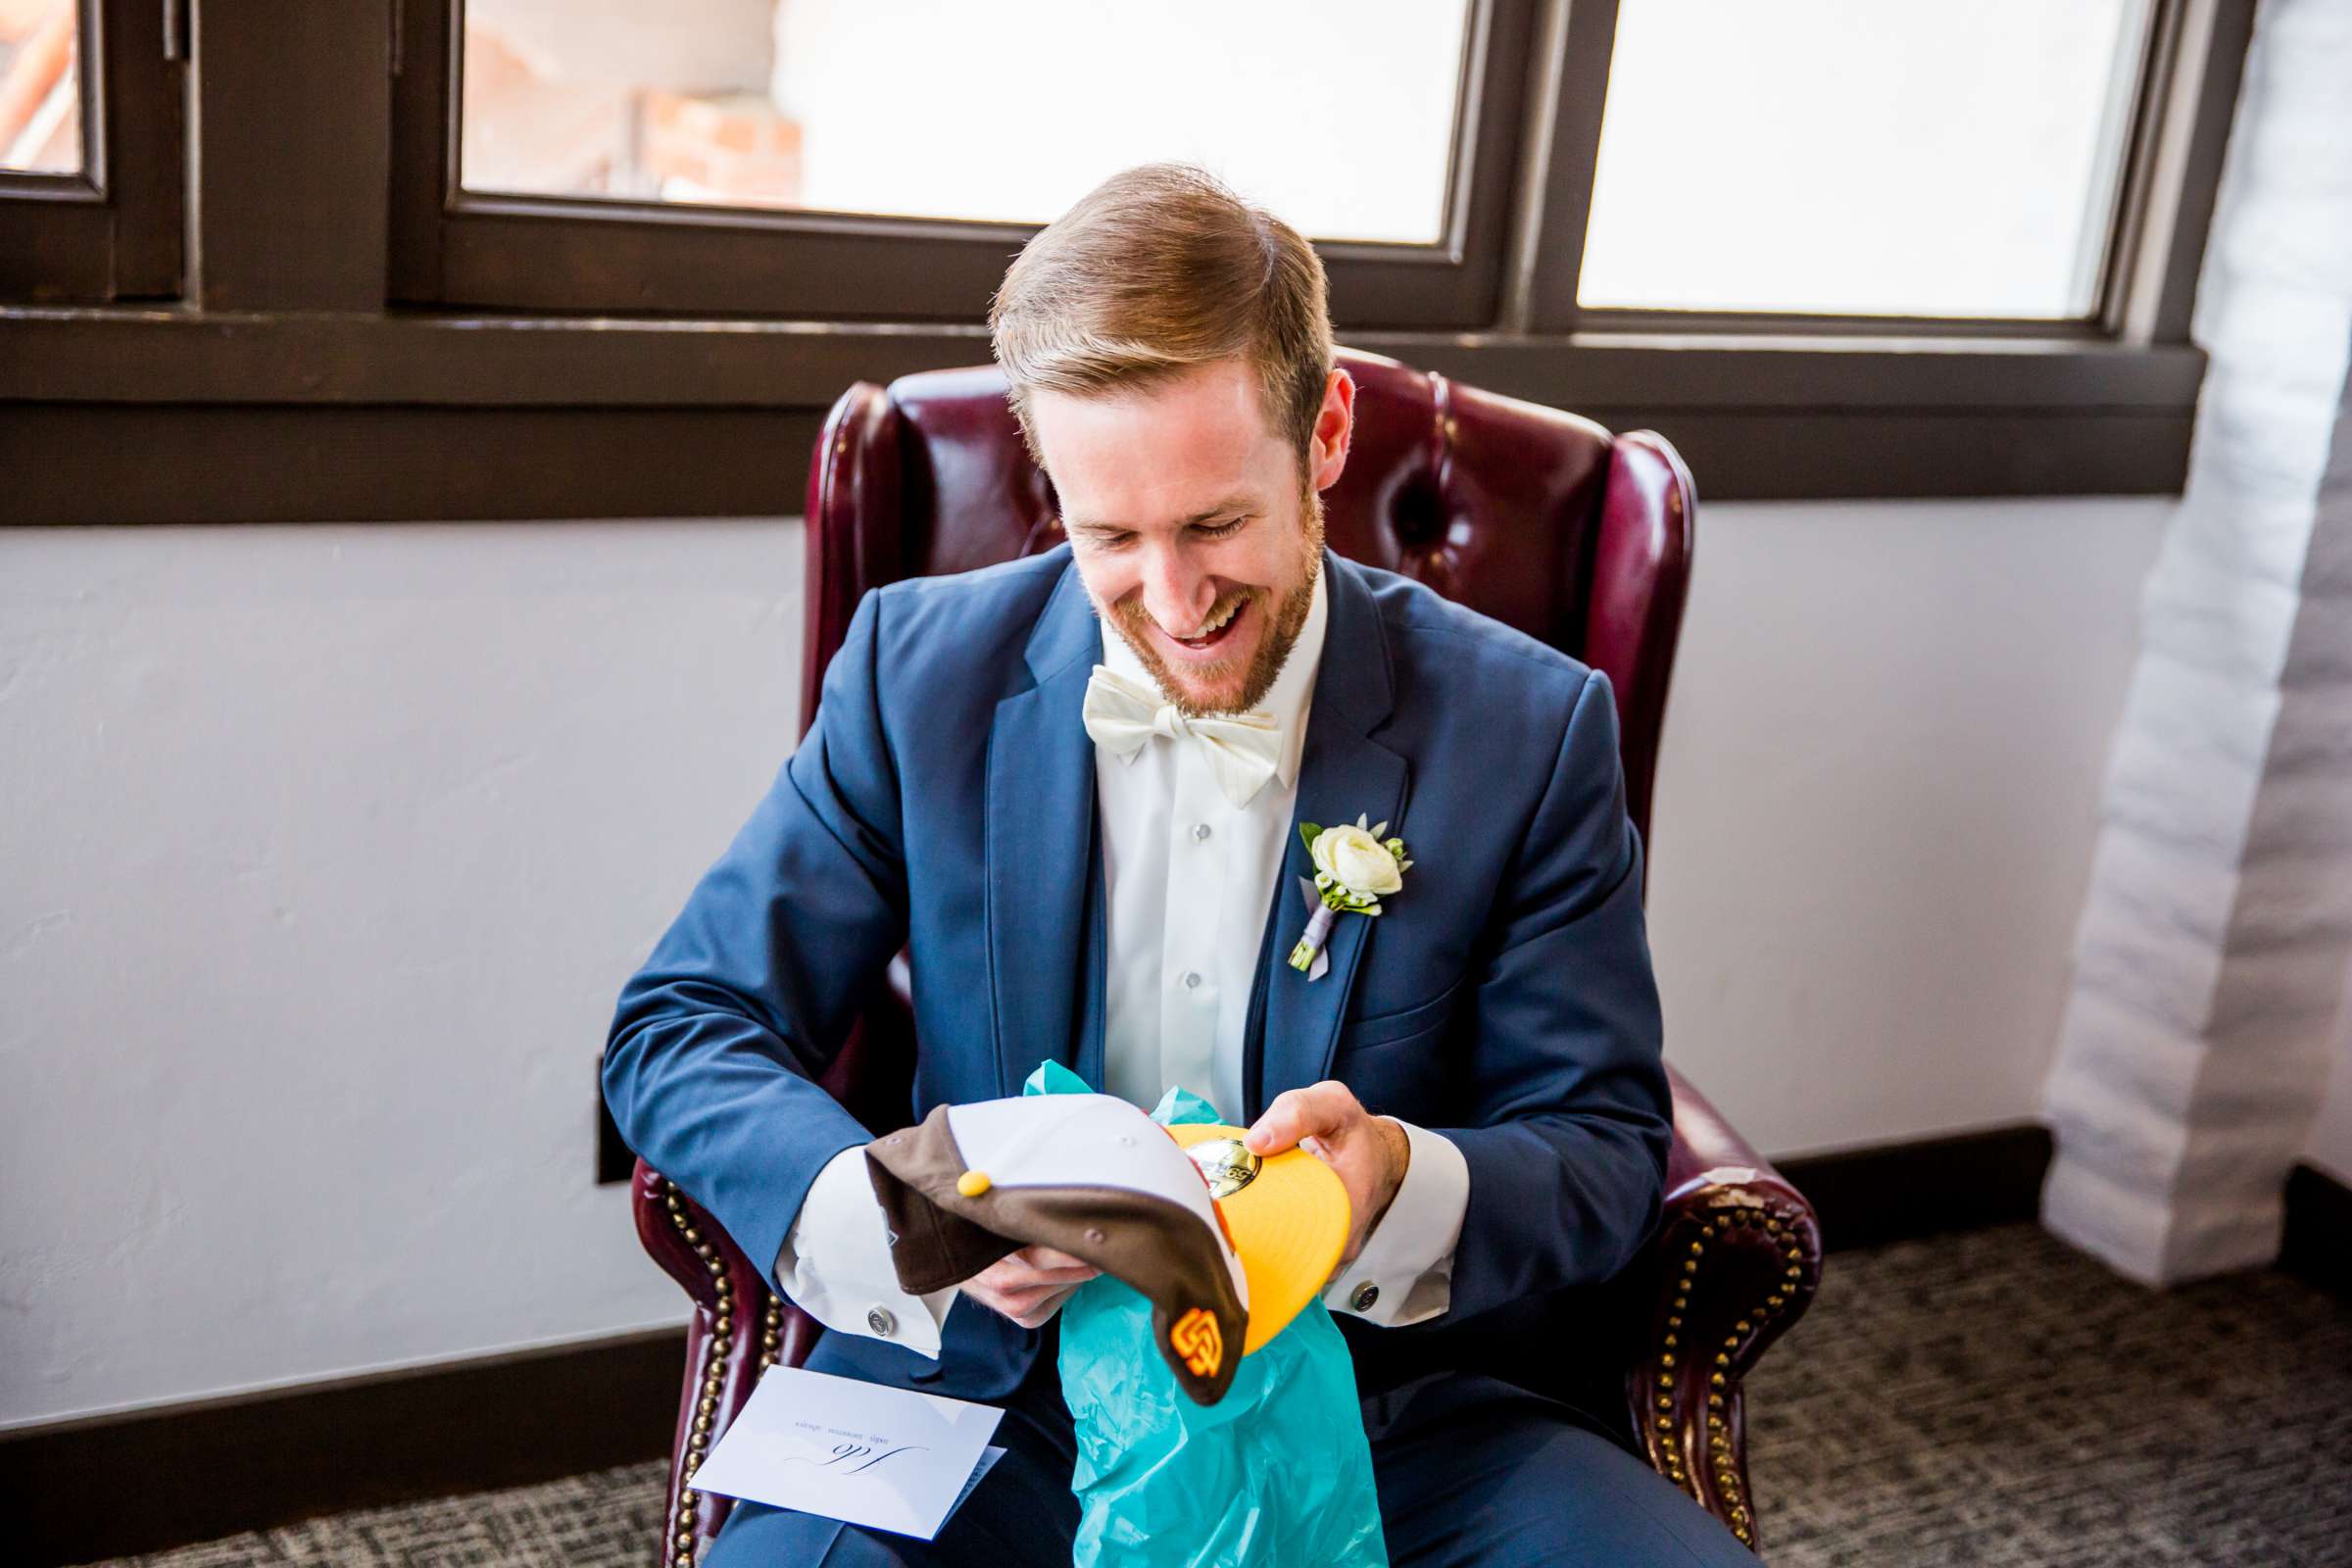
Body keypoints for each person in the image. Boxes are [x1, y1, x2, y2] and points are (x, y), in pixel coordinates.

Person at [603, 162, 1750, 1567]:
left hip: (1398, 1417)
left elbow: (1603, 1146)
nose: (1174, 601)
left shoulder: (1529, 727)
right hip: (991, 1405)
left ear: (1323, 433)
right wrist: (912, 1222)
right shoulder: (921, 675)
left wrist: (1391, 1181)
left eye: (1215, 524)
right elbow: (677, 1029)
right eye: (1111, 537)